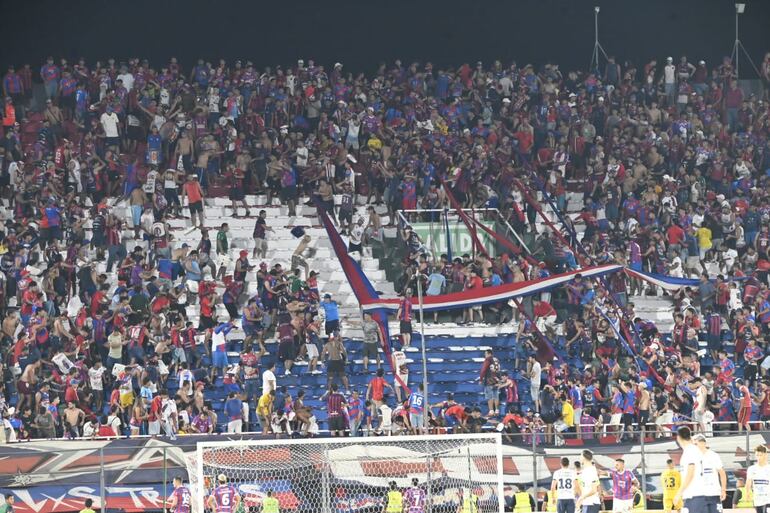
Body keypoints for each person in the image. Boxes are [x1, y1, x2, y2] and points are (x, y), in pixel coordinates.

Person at [673, 426, 703, 513]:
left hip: (694, 495)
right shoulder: (693, 449)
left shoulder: (690, 451)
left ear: (678, 438)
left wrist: (679, 493)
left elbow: (690, 473)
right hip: (694, 494)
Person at [694, 434, 726, 513]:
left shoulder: (713, 455)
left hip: (713, 493)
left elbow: (722, 473)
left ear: (703, 443)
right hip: (698, 495)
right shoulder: (692, 457)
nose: (694, 446)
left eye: (696, 444)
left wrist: (723, 490)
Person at [747, 444, 770, 513]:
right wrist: (748, 493)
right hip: (757, 499)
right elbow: (748, 481)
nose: (759, 457)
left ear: (765, 455)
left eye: (761, 455)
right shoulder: (751, 469)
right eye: (757, 455)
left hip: (768, 499)